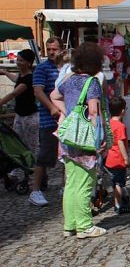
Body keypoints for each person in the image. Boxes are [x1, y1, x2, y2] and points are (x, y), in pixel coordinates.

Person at [51, 42, 108, 238]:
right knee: (85, 182)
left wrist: (67, 112)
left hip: (67, 138)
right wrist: (99, 138)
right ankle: (84, 226)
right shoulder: (91, 82)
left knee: (71, 183)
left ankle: (70, 225)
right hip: (83, 139)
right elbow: (94, 112)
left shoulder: (68, 79)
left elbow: (53, 96)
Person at [0, 49, 45, 205]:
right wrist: (5, 72)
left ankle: (37, 176)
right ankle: (15, 172)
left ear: (28, 62)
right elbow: (16, 79)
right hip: (19, 116)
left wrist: (0, 103)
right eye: (17, 60)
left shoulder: (30, 79)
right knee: (16, 145)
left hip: (30, 117)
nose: (18, 62)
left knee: (33, 147)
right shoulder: (22, 76)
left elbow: (13, 94)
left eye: (20, 60)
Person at [32, 37, 63, 199]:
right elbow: (38, 91)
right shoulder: (42, 69)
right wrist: (51, 107)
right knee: (45, 155)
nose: (51, 52)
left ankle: (65, 186)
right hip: (49, 119)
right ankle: (35, 190)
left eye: (54, 49)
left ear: (61, 49)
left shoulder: (66, 67)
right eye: (49, 49)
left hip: (66, 118)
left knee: (67, 155)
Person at [104, 96, 130, 214]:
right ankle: (118, 205)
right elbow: (120, 142)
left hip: (109, 158)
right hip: (118, 159)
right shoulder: (120, 126)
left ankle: (117, 202)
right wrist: (126, 158)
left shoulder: (108, 123)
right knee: (119, 184)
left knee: (114, 182)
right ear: (122, 111)